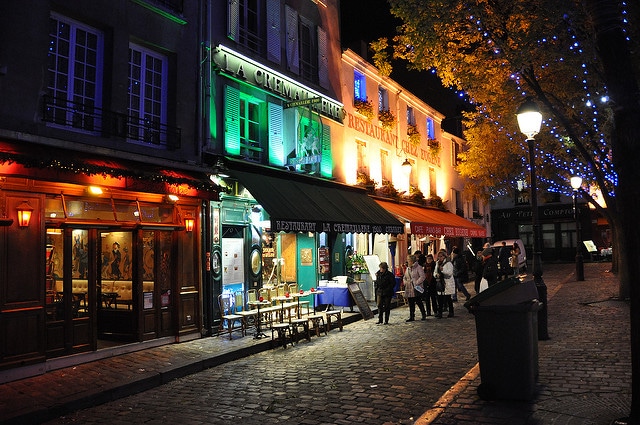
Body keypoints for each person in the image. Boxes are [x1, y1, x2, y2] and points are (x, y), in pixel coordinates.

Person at [403, 254, 427, 322]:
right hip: (409, 288)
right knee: (411, 303)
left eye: (408, 260)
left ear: (412, 261)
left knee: (418, 301)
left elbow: (422, 276)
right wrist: (405, 282)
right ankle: (412, 316)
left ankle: (423, 314)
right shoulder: (408, 268)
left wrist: (416, 282)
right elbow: (405, 277)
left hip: (416, 288)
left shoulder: (418, 267)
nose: (407, 262)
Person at [433, 250, 455, 318]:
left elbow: (450, 273)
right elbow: (435, 272)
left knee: (448, 298)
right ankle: (440, 313)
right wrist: (436, 275)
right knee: (440, 298)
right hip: (440, 283)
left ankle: (451, 312)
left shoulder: (448, 263)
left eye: (441, 256)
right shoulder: (437, 263)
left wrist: (443, 270)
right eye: (438, 256)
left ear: (444, 256)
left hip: (447, 283)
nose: (440, 258)